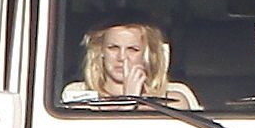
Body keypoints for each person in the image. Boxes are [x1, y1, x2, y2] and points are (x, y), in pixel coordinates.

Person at [63, 23, 194, 109]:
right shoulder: (79, 99)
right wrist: (128, 103)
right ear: (101, 51)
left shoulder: (172, 102)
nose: (122, 57)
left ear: (147, 54)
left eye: (132, 49)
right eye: (113, 48)